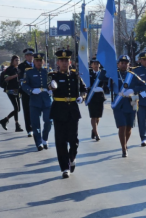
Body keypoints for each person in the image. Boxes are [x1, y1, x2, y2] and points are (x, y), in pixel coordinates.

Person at [48, 49, 87, 178]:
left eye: (66, 60)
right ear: (58, 62)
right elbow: (48, 85)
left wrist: (82, 96)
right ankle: (65, 167)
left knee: (73, 139)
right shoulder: (53, 75)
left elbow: (84, 89)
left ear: (70, 62)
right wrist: (51, 86)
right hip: (59, 110)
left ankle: (72, 157)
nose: (64, 63)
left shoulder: (75, 75)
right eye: (62, 61)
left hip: (73, 110)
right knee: (60, 141)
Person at [101, 55, 146, 157]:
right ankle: (123, 148)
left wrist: (133, 90)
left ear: (128, 64)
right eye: (122, 63)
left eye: (126, 63)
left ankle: (125, 143)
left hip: (132, 103)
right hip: (119, 104)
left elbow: (144, 85)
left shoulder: (132, 75)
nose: (124, 64)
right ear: (118, 64)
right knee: (122, 126)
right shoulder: (114, 75)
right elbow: (105, 82)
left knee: (129, 127)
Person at [21, 53, 53, 151]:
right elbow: (24, 85)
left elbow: (53, 83)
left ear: (43, 61)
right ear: (34, 62)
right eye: (37, 61)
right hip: (35, 100)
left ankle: (45, 138)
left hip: (47, 100)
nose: (39, 63)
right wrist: (31, 90)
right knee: (35, 124)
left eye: (41, 61)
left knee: (48, 121)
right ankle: (38, 143)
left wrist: (52, 89)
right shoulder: (29, 72)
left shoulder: (48, 71)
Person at [0, 56, 25, 133]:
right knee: (16, 108)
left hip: (17, 90)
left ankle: (12, 123)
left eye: (18, 60)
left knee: (18, 109)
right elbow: (6, 78)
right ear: (12, 61)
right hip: (10, 90)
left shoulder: (18, 69)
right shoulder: (9, 69)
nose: (17, 61)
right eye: (16, 60)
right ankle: (7, 121)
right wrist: (16, 76)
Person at [87, 57, 108, 142]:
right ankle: (96, 134)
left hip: (99, 97)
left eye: (97, 64)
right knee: (93, 116)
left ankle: (93, 130)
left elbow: (106, 84)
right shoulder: (88, 73)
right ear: (91, 65)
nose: (96, 65)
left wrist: (102, 89)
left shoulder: (102, 73)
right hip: (91, 97)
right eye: (94, 64)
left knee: (98, 116)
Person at [18, 48, 35, 137]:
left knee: (36, 110)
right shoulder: (21, 66)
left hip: (36, 91)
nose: (30, 57)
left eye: (31, 55)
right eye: (28, 55)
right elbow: (20, 78)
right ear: (25, 56)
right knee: (27, 110)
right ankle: (29, 129)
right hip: (26, 91)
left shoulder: (36, 64)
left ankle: (35, 126)